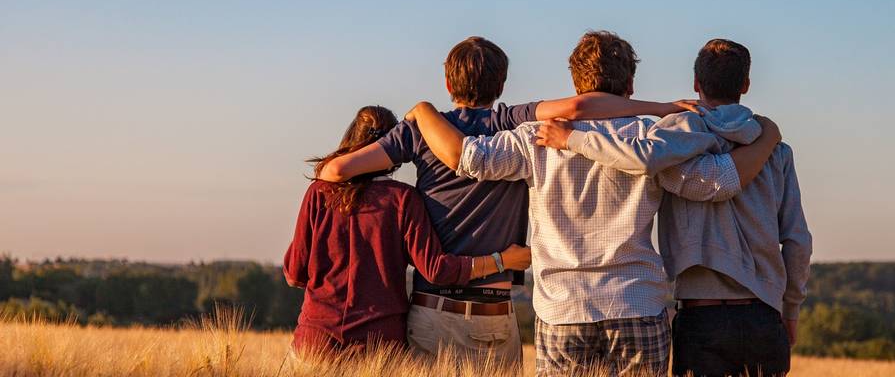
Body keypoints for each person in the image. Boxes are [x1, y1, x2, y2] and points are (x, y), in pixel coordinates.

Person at [406, 31, 781, 376]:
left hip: (562, 310)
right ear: (631, 84)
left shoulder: (536, 137)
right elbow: (716, 183)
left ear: (575, 83)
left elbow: (468, 158)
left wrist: (423, 111)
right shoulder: (651, 139)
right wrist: (767, 138)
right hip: (636, 305)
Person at [315, 36, 700, 366]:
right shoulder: (512, 122)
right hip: (499, 312)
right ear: (501, 83)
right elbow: (579, 108)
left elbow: (335, 173)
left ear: (447, 82)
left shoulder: (422, 131)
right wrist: (661, 108)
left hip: (437, 308)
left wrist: (418, 116)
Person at [536, 39, 812, 377]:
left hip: (700, 316)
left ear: (696, 83)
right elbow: (797, 240)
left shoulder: (672, 140)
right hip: (764, 315)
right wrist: (791, 309)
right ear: (745, 85)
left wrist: (573, 139)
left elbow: (642, 157)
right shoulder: (777, 151)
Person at [282, 105, 532, 358]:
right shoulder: (403, 199)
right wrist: (502, 260)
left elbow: (295, 274)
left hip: (315, 342)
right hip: (379, 346)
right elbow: (437, 270)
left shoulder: (319, 193)